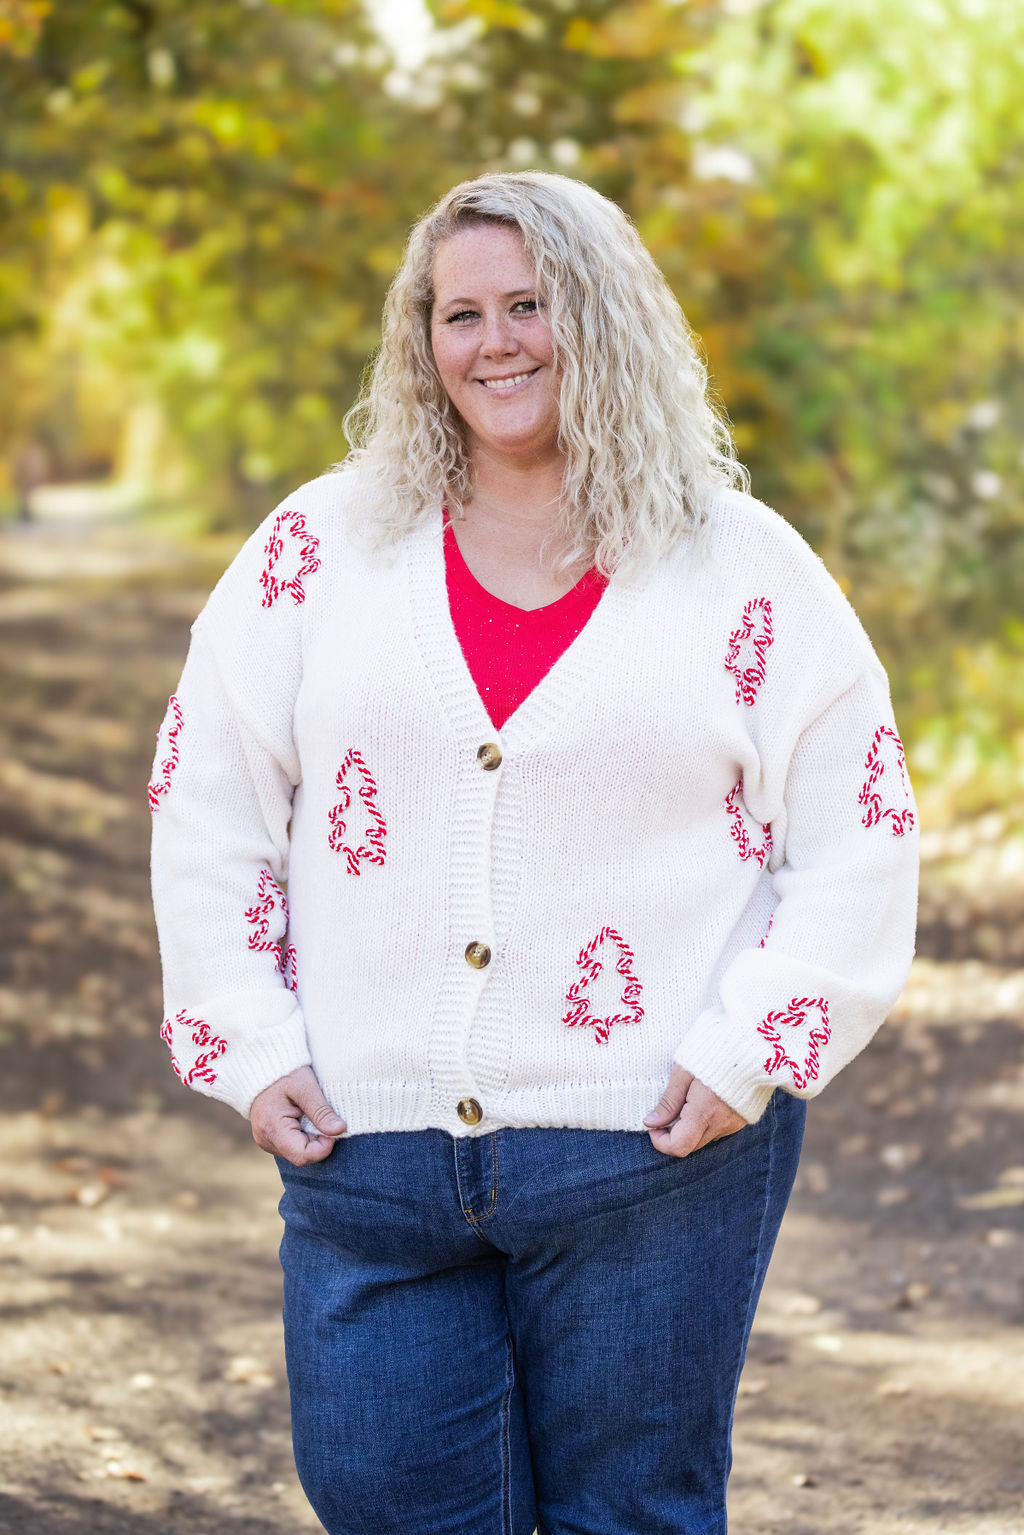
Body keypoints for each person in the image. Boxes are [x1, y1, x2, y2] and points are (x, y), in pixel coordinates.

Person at [149, 171, 919, 1535]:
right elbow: (208, 797)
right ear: (421, 338)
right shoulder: (320, 549)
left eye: (531, 304)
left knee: (631, 1518)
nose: (495, 341)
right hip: (369, 1156)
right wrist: (246, 1039)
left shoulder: (743, 568)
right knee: (389, 1504)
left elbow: (861, 827)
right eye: (461, 312)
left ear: (604, 320)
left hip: (653, 1159)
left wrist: (755, 1050)